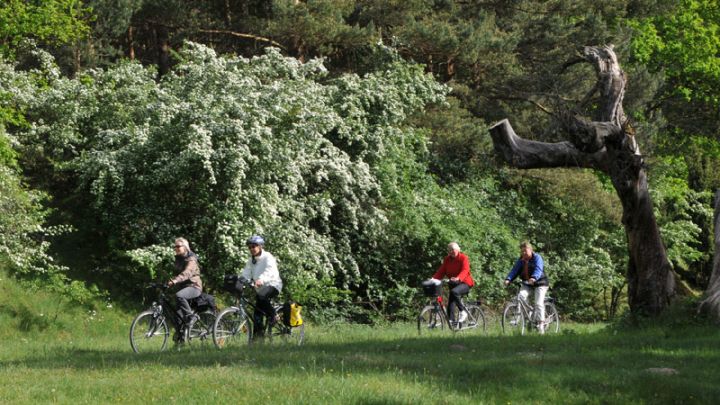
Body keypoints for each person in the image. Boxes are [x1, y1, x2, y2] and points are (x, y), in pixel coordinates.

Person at [241, 235, 283, 337]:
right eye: (250, 247)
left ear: (260, 246)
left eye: (254, 246)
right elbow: (246, 273)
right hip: (260, 288)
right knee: (257, 313)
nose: (251, 249)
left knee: (261, 297)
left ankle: (274, 315)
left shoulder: (268, 257)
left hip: (273, 285)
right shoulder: (251, 260)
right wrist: (240, 280)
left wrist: (261, 279)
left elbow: (270, 271)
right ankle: (257, 338)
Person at [504, 241, 549, 333]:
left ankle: (541, 324)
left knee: (538, 303)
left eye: (525, 251)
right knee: (520, 297)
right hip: (527, 284)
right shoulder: (521, 260)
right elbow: (514, 270)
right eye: (522, 251)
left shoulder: (537, 258)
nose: (523, 253)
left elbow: (538, 269)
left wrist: (533, 278)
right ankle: (524, 316)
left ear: (531, 250)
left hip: (540, 283)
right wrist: (508, 279)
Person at [167, 237, 203, 341]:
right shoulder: (178, 259)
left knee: (179, 296)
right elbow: (176, 274)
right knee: (177, 316)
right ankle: (180, 340)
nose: (176, 248)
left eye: (178, 246)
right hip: (183, 288)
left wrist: (175, 281)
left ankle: (191, 317)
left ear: (185, 247)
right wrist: (168, 282)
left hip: (194, 287)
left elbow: (187, 273)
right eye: (175, 247)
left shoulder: (191, 259)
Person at [431, 242, 474, 324]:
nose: (451, 252)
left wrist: (458, 278)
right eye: (449, 250)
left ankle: (463, 311)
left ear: (458, 250)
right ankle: (452, 322)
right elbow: (442, 270)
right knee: (451, 302)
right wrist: (433, 278)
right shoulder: (447, 259)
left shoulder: (463, 258)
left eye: (452, 250)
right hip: (453, 283)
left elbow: (465, 270)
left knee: (454, 292)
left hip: (465, 283)